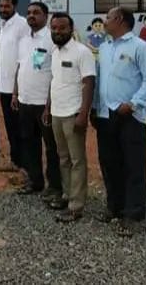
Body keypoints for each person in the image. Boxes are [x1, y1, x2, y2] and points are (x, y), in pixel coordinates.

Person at [96, 7, 146, 237]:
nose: (104, 21)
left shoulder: (140, 47)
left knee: (133, 165)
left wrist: (133, 103)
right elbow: (101, 80)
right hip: (105, 115)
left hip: (130, 115)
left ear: (120, 20)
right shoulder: (104, 48)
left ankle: (133, 214)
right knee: (109, 162)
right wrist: (95, 108)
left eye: (108, 17)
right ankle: (114, 207)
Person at [43, 12, 95, 223]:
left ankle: (76, 206)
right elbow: (54, 81)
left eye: (62, 28)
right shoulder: (55, 52)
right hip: (57, 112)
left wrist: (83, 113)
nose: (57, 31)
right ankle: (67, 195)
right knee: (62, 158)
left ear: (71, 29)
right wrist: (48, 108)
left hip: (73, 114)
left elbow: (89, 83)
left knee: (77, 160)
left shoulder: (82, 52)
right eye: (54, 28)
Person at [12, 2, 62, 199]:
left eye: (36, 12)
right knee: (29, 143)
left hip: (44, 104)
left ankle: (55, 186)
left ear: (46, 16)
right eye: (29, 12)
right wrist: (15, 94)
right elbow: (20, 67)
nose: (31, 15)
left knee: (51, 147)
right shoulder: (24, 40)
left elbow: (56, 74)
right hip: (25, 101)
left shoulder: (51, 40)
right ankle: (35, 181)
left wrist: (49, 105)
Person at [0, 0, 30, 172]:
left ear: (14, 6)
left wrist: (17, 90)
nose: (3, 9)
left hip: (17, 88)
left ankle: (24, 165)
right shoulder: (3, 25)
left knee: (20, 128)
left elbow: (23, 57)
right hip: (4, 86)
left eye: (7, 6)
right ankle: (15, 161)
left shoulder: (22, 25)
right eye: (1, 6)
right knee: (10, 126)